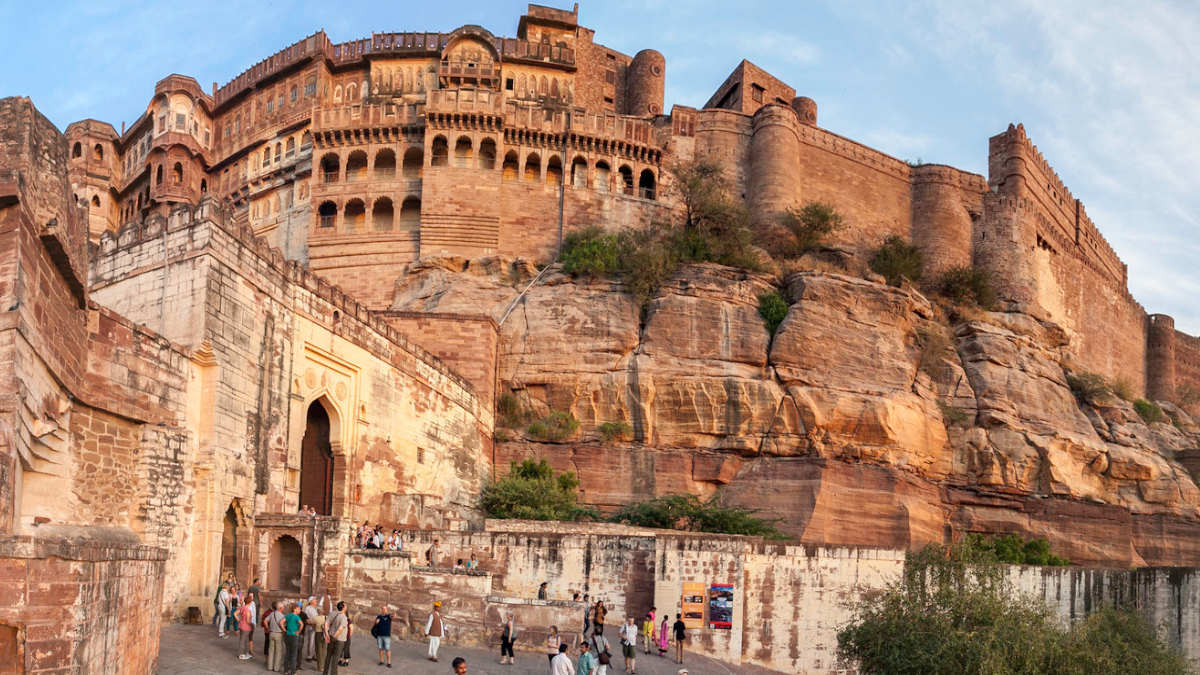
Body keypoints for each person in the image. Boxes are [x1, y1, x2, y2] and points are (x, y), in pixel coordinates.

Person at [323, 600, 348, 675]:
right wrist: (334, 637)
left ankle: (325, 673)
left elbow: (326, 624)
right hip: (339, 639)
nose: (346, 607)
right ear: (343, 607)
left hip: (330, 636)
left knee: (328, 656)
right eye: (345, 606)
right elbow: (340, 630)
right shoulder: (343, 617)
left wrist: (327, 635)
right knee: (335, 658)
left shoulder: (332, 613)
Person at [303, 595, 326, 662]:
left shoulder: (316, 608)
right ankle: (309, 656)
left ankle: (314, 655)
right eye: (315, 599)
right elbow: (308, 618)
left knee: (316, 641)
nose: (316, 600)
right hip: (311, 626)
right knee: (311, 641)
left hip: (317, 626)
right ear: (311, 601)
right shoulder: (308, 608)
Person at [283, 603, 304, 675]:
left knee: (287, 653)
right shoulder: (296, 617)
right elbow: (302, 624)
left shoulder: (288, 615)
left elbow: (281, 622)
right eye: (298, 609)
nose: (300, 610)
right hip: (294, 636)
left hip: (287, 635)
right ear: (294, 609)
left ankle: (285, 671)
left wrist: (284, 630)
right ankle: (293, 672)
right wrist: (298, 631)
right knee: (294, 654)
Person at [266, 601, 286, 672]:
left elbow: (265, 621)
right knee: (278, 651)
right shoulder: (282, 616)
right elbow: (283, 625)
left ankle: (270, 667)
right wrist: (284, 631)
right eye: (283, 607)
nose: (284, 608)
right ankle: (276, 668)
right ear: (280, 608)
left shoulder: (272, 613)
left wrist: (268, 628)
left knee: (271, 650)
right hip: (278, 634)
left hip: (271, 633)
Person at [235, 593, 255, 659]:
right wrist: (252, 625)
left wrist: (239, 620)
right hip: (246, 627)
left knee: (244, 640)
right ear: (250, 602)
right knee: (243, 640)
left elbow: (235, 614)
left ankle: (244, 653)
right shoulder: (248, 610)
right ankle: (241, 654)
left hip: (241, 625)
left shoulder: (242, 607)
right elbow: (248, 620)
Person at [373, 604, 393, 668]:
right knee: (381, 649)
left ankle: (389, 662)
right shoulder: (378, 616)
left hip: (386, 636)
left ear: (387, 610)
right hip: (379, 635)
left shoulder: (388, 616)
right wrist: (376, 622)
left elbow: (393, 616)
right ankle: (381, 661)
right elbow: (375, 624)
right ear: (381, 610)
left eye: (385, 609)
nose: (384, 610)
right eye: (383, 609)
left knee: (387, 649)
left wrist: (393, 614)